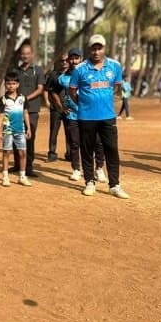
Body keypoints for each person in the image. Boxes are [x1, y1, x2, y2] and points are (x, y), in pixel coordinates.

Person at [69, 34, 129, 199]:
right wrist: (83, 104)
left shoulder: (115, 66)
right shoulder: (80, 69)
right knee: (87, 151)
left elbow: (116, 87)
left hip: (108, 116)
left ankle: (114, 185)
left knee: (111, 149)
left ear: (104, 48)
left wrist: (104, 100)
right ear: (89, 49)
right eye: (93, 48)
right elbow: (72, 91)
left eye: (99, 48)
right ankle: (89, 182)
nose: (96, 52)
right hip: (86, 117)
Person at [51, 48, 107, 182]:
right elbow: (53, 91)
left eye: (76, 58)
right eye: (72, 58)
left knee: (98, 143)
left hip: (92, 115)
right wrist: (62, 107)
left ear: (81, 59)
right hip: (73, 116)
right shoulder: (63, 78)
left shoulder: (89, 73)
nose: (74, 61)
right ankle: (76, 169)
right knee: (75, 143)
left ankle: (99, 169)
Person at [12, 42, 45, 177]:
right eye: (23, 53)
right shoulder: (15, 71)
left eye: (27, 53)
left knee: (29, 137)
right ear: (20, 55)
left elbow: (40, 89)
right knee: (15, 136)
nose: (25, 56)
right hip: (16, 109)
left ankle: (29, 166)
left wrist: (25, 98)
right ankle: (17, 164)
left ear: (32, 55)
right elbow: (11, 87)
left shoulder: (38, 70)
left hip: (31, 109)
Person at [0, 70, 31, 187]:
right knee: (6, 152)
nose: (11, 86)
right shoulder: (3, 100)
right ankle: (5, 176)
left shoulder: (23, 98)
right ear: (5, 85)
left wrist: (28, 128)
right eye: (8, 83)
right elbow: (0, 116)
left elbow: (25, 113)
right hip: (7, 130)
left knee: (22, 153)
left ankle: (22, 176)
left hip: (20, 129)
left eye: (13, 83)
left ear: (18, 84)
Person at [45, 53, 70, 162]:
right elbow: (46, 89)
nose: (64, 63)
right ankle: (52, 153)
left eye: (66, 60)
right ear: (59, 62)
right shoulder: (53, 75)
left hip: (69, 108)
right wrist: (46, 101)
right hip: (56, 108)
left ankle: (70, 154)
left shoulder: (74, 74)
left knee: (70, 132)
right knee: (54, 131)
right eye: (62, 61)